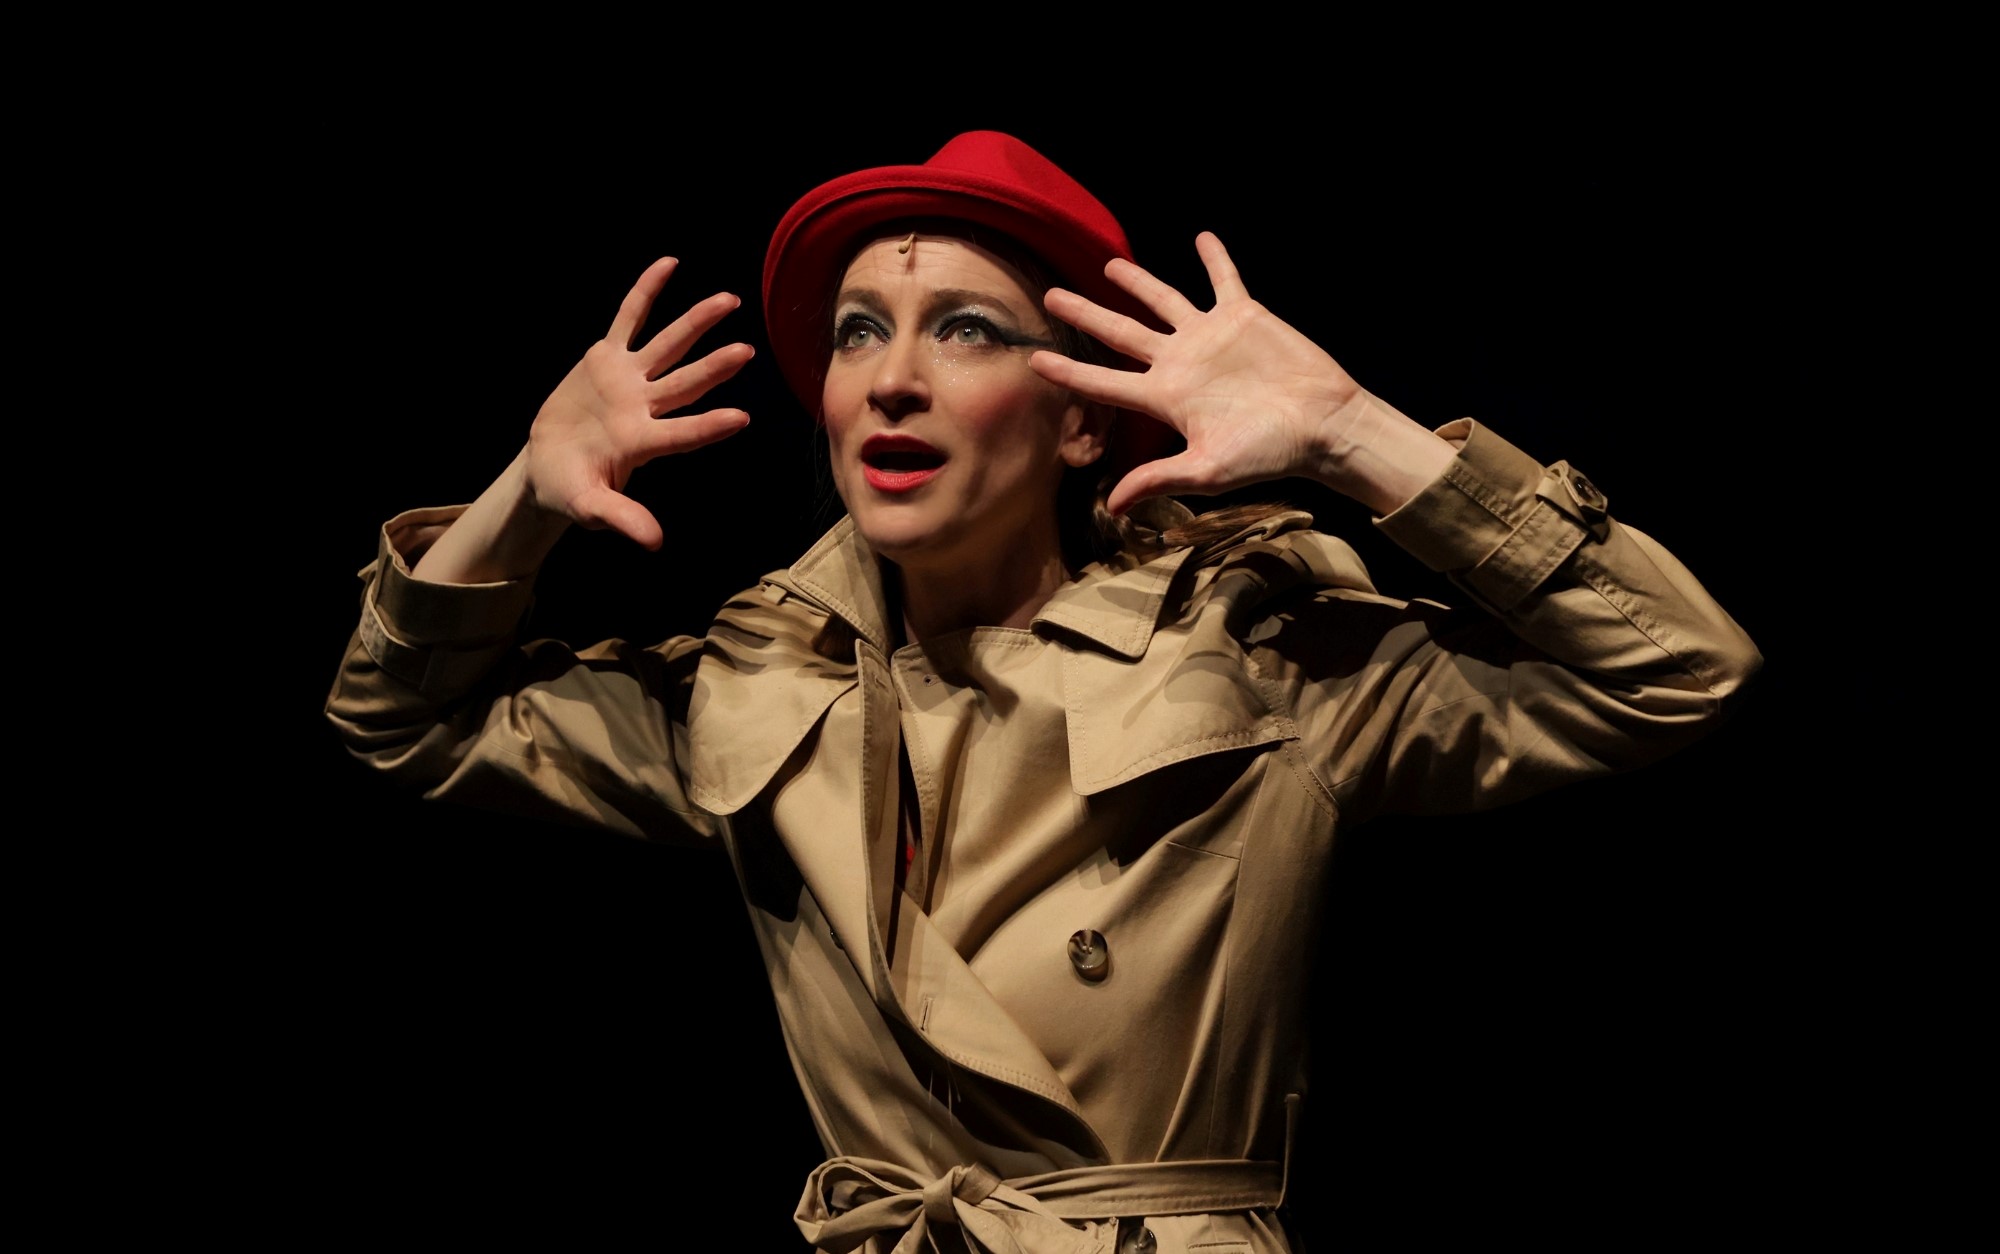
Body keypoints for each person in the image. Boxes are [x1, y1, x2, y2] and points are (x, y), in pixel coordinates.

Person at [326, 131, 1761, 1253]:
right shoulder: (752, 688)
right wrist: (520, 492)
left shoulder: (1261, 663)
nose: (891, 380)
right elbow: (401, 717)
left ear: (1082, 417)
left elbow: (1675, 665)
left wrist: (1348, 435)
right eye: (856, 332)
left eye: (962, 329)